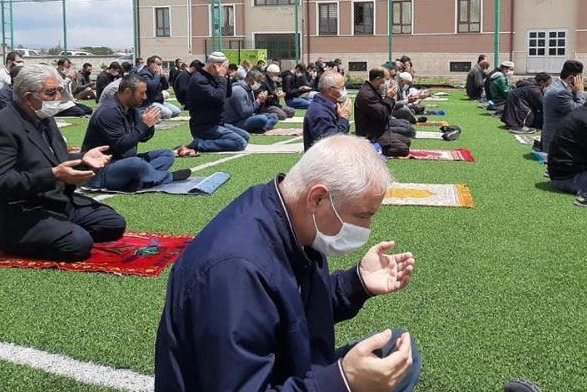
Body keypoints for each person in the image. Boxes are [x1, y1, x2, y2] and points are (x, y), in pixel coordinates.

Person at [155, 135, 421, 392]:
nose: (366, 227)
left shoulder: (292, 219)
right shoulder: (236, 271)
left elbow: (293, 306)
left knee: (397, 354)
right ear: (317, 198)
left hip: (286, 372)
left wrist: (357, 282)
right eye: (362, 216)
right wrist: (343, 382)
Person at [0, 64, 124, 261]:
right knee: (79, 244)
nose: (58, 98)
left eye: (58, 91)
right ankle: (32, 238)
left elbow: (55, 162)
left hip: (58, 202)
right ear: (28, 97)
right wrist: (54, 175)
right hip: (23, 212)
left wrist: (82, 159)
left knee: (113, 224)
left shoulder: (45, 119)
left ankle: (60, 229)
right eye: (51, 93)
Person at [81, 74, 190, 191]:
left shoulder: (131, 109)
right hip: (102, 169)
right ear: (128, 92)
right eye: (141, 93)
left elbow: (143, 138)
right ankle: (166, 177)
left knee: (167, 154)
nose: (145, 97)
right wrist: (144, 125)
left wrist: (149, 125)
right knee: (135, 163)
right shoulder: (109, 112)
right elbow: (121, 145)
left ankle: (138, 180)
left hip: (124, 161)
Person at [186, 52, 249, 152]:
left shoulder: (213, 77)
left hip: (217, 123)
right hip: (204, 126)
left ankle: (211, 141)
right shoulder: (198, 80)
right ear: (214, 66)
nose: (224, 70)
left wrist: (226, 77)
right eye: (223, 67)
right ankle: (199, 144)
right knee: (240, 143)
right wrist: (221, 77)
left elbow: (227, 93)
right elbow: (218, 99)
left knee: (245, 136)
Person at [355, 68, 412, 157]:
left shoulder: (374, 90)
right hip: (371, 135)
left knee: (407, 141)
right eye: (386, 79)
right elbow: (383, 113)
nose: (388, 82)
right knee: (403, 149)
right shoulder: (367, 94)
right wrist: (389, 98)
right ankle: (371, 149)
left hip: (380, 130)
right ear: (378, 79)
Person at [541, 59, 586, 153]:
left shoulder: (557, 85)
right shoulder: (560, 92)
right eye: (580, 78)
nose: (581, 82)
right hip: (558, 143)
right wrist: (580, 92)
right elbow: (580, 112)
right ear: (571, 78)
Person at [303, 70, 352, 150]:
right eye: (342, 88)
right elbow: (332, 143)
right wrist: (343, 119)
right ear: (330, 90)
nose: (344, 91)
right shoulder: (320, 112)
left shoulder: (329, 106)